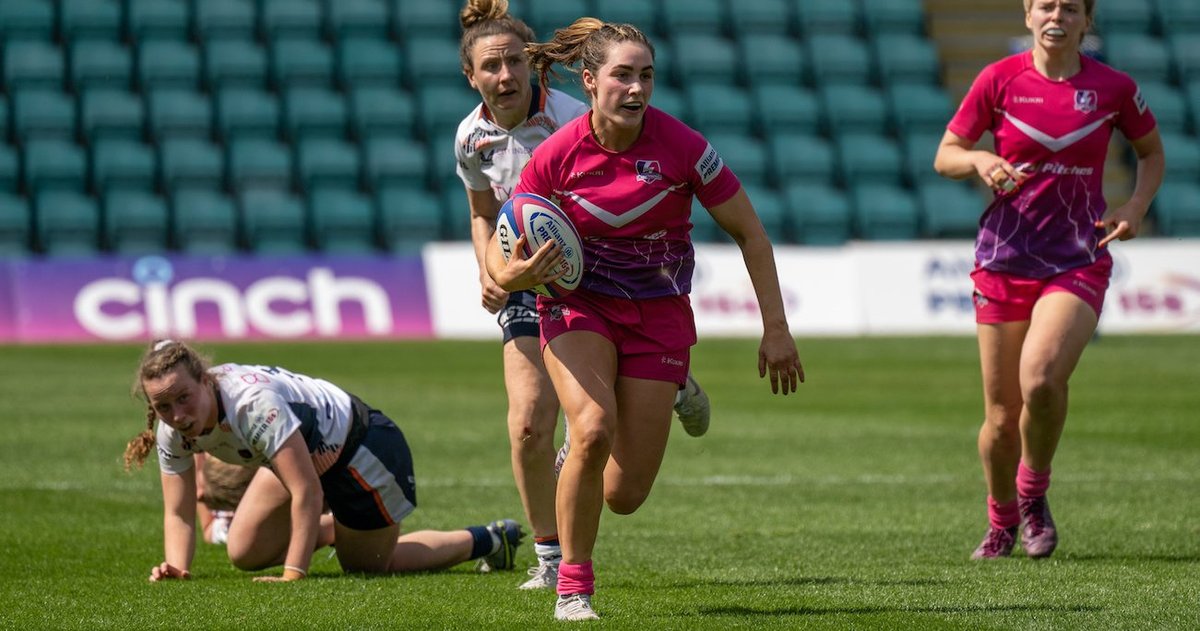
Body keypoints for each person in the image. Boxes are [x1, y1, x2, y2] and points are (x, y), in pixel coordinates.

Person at [485, 18, 804, 621]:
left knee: (624, 495)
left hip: (658, 316)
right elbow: (504, 265)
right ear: (590, 80)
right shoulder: (555, 157)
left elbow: (751, 235)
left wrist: (777, 329)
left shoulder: (684, 147)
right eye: (622, 76)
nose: (635, 89)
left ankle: (671, 389)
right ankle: (573, 587)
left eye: (646, 76)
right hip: (576, 308)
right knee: (594, 428)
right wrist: (515, 277)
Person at [453, 0, 712, 591]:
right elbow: (482, 213)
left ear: (533, 65)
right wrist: (491, 271)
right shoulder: (471, 137)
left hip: (597, 285)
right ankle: (550, 558)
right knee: (526, 425)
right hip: (528, 279)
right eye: (491, 67)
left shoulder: (574, 116)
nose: (506, 76)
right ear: (472, 76)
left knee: (595, 437)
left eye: (516, 61)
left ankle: (663, 382)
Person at [933, 0, 1163, 560]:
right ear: (1029, 15)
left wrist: (1134, 204)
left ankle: (1033, 496)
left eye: (1068, 7)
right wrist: (980, 162)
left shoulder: (1113, 88)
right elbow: (946, 155)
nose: (1055, 14)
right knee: (1002, 418)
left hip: (1078, 256)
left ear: (1086, 21)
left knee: (1039, 380)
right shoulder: (998, 79)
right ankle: (1001, 519)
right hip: (1004, 257)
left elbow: (1151, 152)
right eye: (1044, 5)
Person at [123, 339, 525, 582]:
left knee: (370, 569)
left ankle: (489, 540)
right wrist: (176, 566)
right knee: (244, 552)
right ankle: (341, 529)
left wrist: (293, 574)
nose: (177, 414)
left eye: (183, 398)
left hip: (363, 449)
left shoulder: (252, 404)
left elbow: (305, 490)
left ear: (205, 380)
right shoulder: (172, 432)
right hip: (305, 456)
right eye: (163, 406)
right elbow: (178, 513)